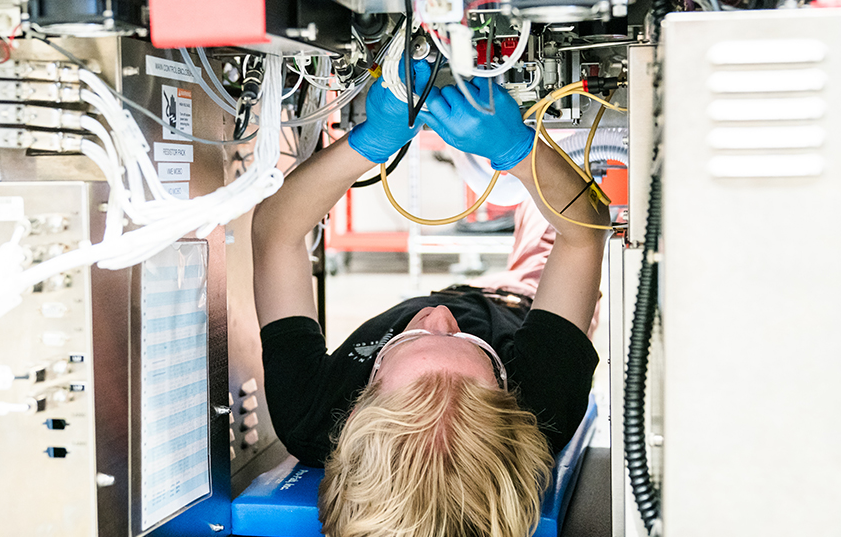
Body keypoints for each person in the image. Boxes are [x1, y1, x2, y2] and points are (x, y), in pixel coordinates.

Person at [251, 59, 609, 537]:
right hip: (526, 294)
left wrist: (367, 142)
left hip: (481, 292)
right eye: (468, 344)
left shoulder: (311, 416)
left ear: (356, 409)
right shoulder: (540, 407)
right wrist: (519, 152)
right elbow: (583, 234)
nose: (440, 315)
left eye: (412, 338)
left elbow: (275, 235)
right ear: (506, 394)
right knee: (576, 171)